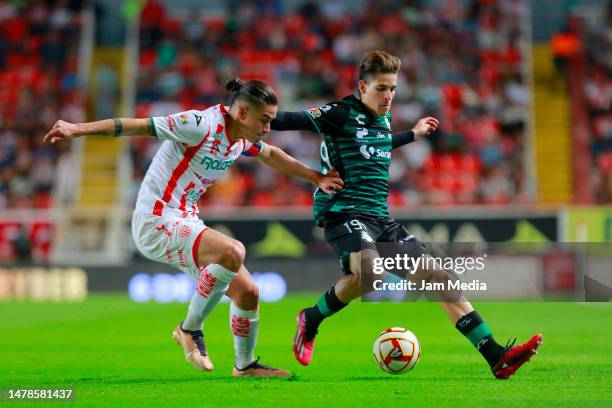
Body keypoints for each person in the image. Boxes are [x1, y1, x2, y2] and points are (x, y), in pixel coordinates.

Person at [44, 78, 344, 378]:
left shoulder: (241, 137)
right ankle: (189, 329)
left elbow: (270, 155)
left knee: (249, 292)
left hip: (185, 219)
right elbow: (136, 125)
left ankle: (245, 365)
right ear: (242, 113)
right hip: (155, 220)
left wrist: (315, 177)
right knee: (232, 251)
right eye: (264, 120)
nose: (267, 128)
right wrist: (77, 128)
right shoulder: (199, 124)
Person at [271, 50, 542, 379]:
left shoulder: (382, 120)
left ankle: (496, 356)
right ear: (362, 86)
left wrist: (412, 135)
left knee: (440, 279)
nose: (388, 96)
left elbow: (379, 143)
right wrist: (243, 114)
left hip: (381, 218)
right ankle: (310, 319)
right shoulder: (339, 114)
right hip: (343, 212)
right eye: (381, 88)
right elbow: (286, 119)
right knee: (371, 274)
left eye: (393, 89)